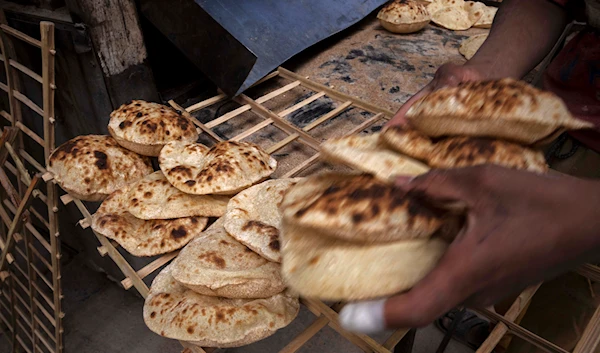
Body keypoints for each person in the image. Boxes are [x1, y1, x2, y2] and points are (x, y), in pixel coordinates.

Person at [339, 0, 600, 345]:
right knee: (493, 267)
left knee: (557, 316)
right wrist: (486, 70)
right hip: (541, 116)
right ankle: (497, 329)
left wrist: (590, 216)